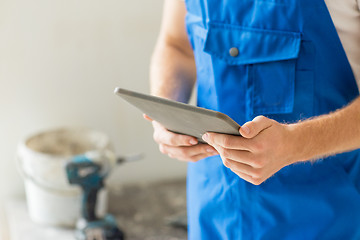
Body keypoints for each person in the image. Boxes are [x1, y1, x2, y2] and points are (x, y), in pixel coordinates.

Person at [146, 0, 360, 239]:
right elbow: (177, 46)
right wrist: (168, 112)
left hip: (328, 217)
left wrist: (296, 143)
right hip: (215, 210)